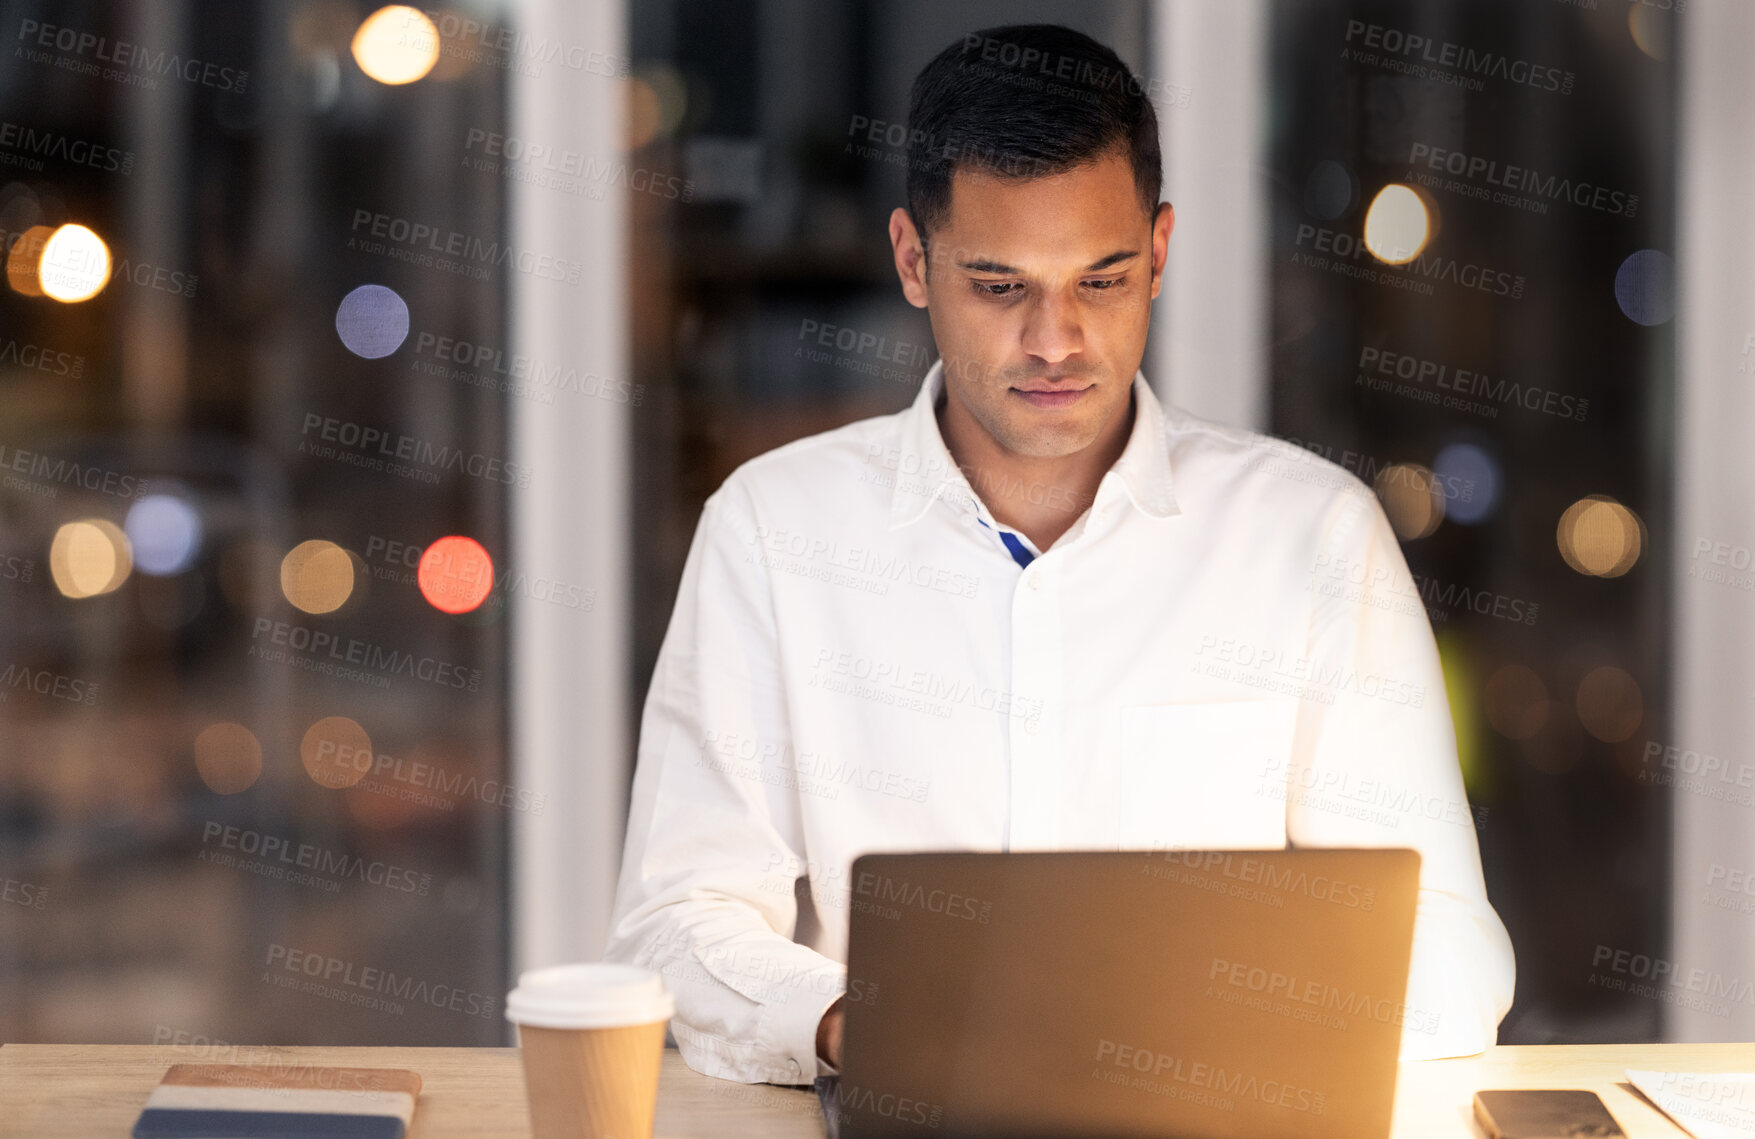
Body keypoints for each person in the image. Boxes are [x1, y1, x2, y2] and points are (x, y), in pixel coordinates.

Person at [604, 23, 1515, 1084]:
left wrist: (1170, 1030)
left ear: (1161, 253)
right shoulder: (774, 531)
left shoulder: (1311, 537)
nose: (1055, 340)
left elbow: (1451, 957)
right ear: (914, 261)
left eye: (1101, 280)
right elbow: (675, 921)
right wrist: (870, 1023)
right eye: (1000, 286)